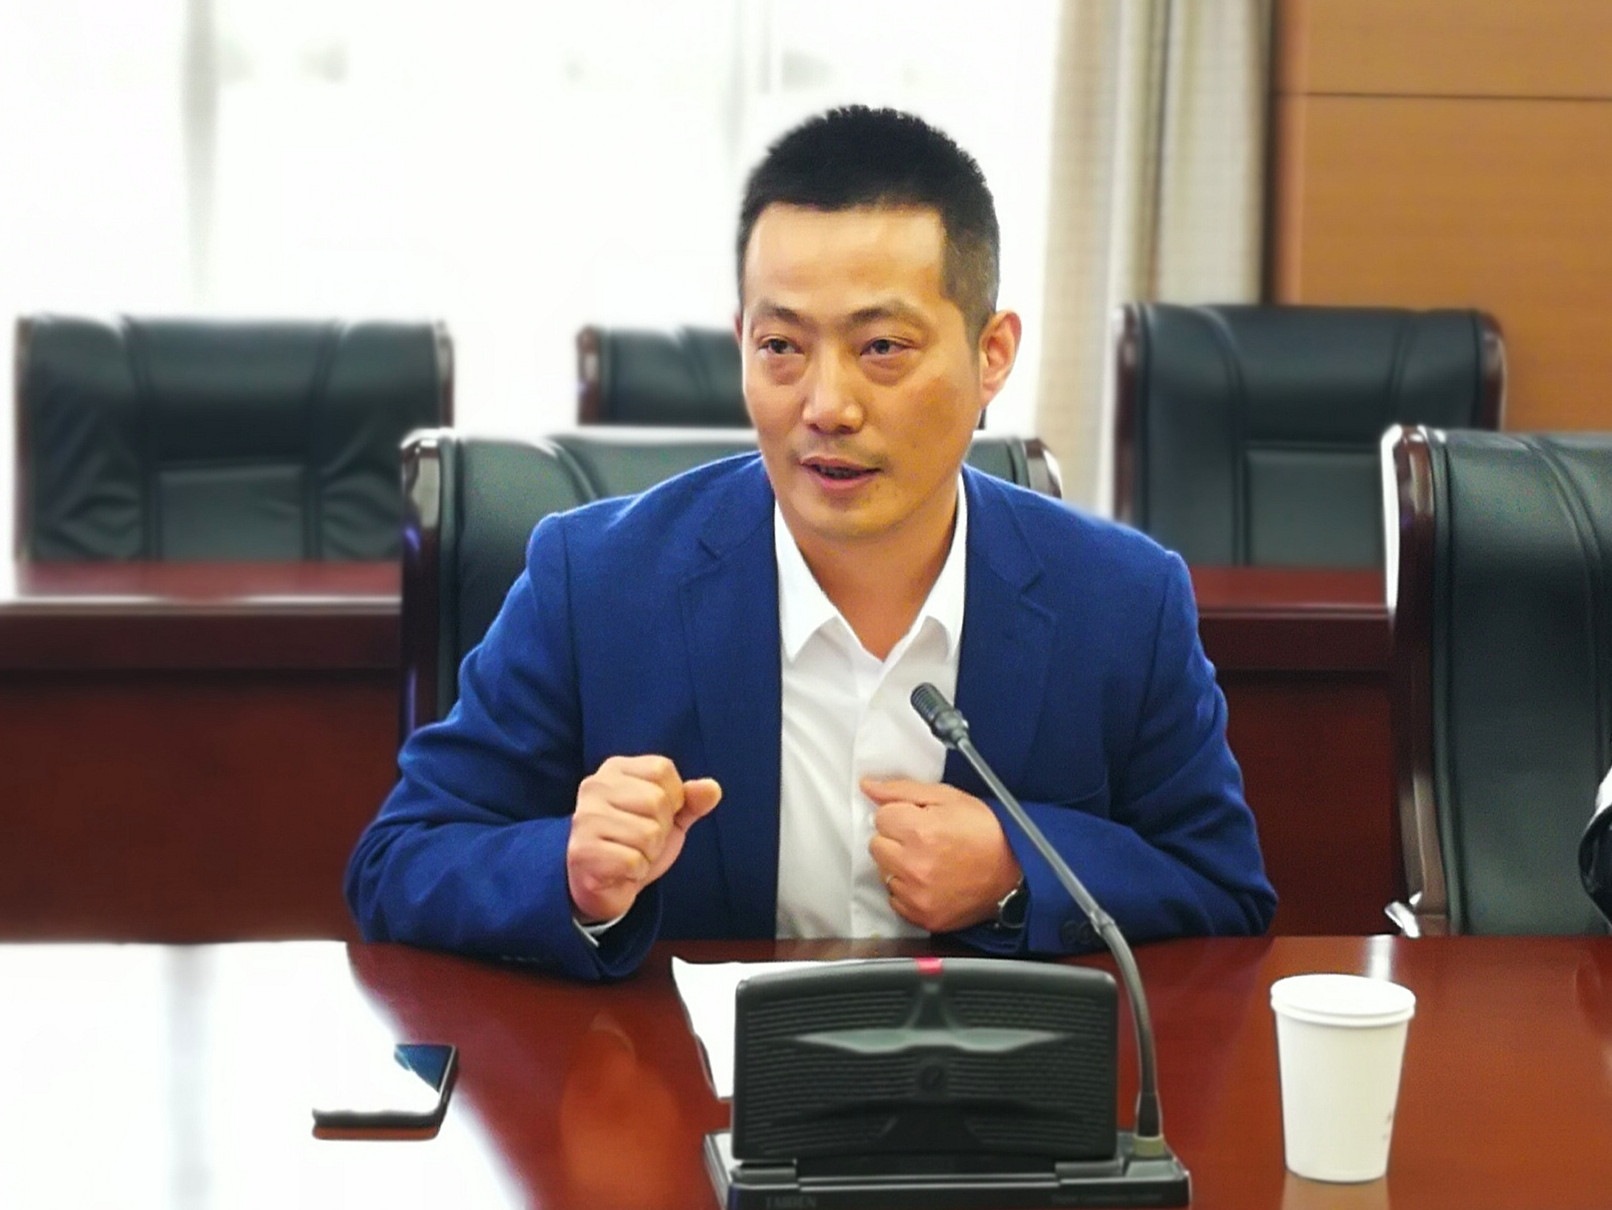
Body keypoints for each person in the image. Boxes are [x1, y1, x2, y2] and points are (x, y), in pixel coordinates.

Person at [345, 106, 1276, 979]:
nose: (827, 406)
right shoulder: (595, 583)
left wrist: (1017, 870)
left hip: (995, 1094)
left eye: (882, 348)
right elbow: (398, 861)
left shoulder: (1122, 602)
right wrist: (572, 874)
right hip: (689, 1088)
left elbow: (1225, 891)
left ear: (991, 353)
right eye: (782, 347)